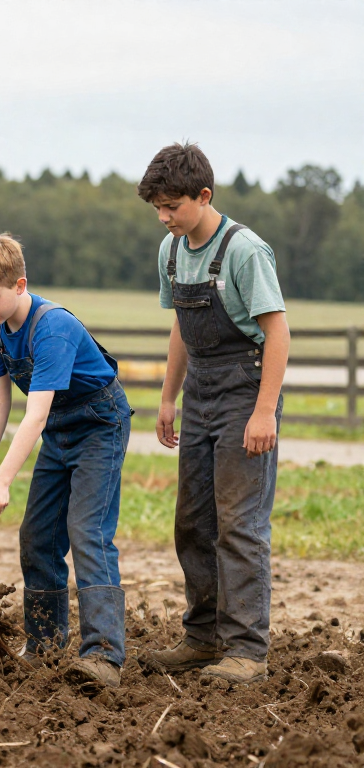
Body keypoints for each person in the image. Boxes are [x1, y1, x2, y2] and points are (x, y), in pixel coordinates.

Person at [138, 143, 287, 686]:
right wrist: (167, 397)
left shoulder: (244, 251)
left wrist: (264, 411)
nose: (164, 217)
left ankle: (247, 649)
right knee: (193, 520)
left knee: (239, 524)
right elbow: (181, 326)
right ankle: (203, 639)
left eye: (171, 205)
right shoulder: (171, 251)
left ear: (203, 196)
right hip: (199, 388)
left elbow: (277, 332)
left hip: (246, 390)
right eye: (157, 207)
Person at [0, 232, 131, 689]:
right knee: (38, 535)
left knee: (87, 530)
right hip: (58, 430)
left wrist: (4, 482)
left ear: (19, 284)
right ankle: (45, 646)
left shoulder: (51, 328)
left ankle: (104, 656)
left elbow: (34, 416)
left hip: (98, 425)